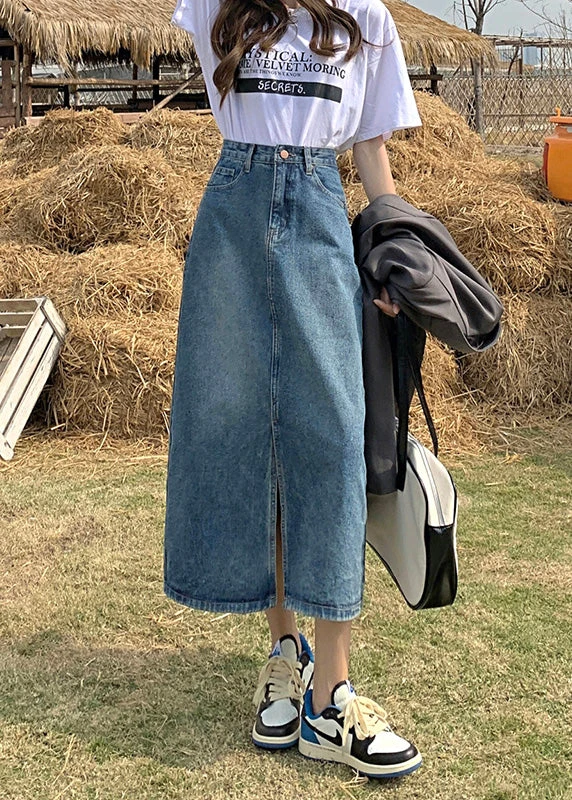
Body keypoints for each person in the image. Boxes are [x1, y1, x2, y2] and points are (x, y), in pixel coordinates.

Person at [165, 0, 423, 779]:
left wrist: (392, 246)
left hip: (318, 211)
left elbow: (371, 147)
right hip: (232, 218)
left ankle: (331, 696)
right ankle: (285, 651)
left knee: (333, 440)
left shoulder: (365, 17)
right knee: (252, 437)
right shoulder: (219, 7)